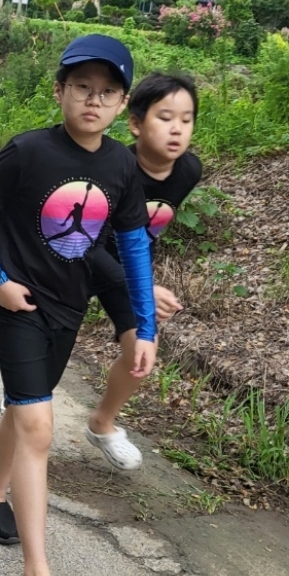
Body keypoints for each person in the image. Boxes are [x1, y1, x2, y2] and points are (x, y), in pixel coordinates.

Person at [0, 35, 156, 576]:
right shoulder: (29, 151)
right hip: (19, 307)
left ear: (123, 105)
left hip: (70, 309)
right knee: (38, 425)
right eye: (82, 88)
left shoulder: (121, 165)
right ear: (60, 91)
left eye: (108, 92)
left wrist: (144, 327)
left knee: (24, 411)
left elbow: (134, 247)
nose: (94, 100)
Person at [84, 72, 202, 469]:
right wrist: (143, 285)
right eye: (165, 117)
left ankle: (102, 424)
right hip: (79, 260)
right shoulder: (112, 168)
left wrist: (140, 283)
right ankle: (26, 399)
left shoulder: (188, 171)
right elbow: (87, 242)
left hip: (128, 271)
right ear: (135, 124)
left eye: (186, 119)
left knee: (140, 349)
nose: (177, 128)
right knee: (48, 337)